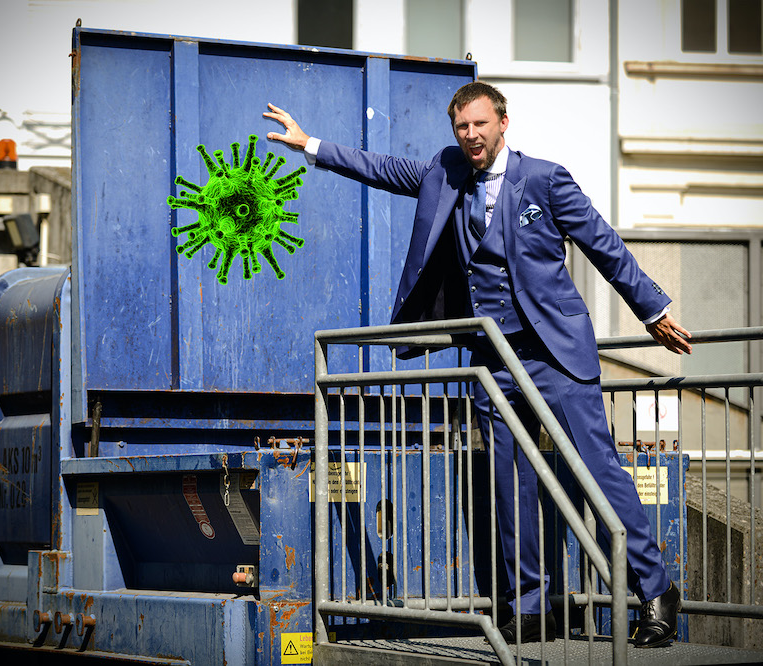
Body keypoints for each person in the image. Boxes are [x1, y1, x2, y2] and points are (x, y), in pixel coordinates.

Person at [264, 81, 692, 648]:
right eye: (462, 127)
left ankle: (656, 592)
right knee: (510, 483)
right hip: (494, 357)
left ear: (503, 123)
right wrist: (310, 145)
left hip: (556, 352)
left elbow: (603, 244)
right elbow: (382, 168)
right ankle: (531, 607)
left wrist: (652, 309)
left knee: (598, 471)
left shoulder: (545, 179)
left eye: (480, 125)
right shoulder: (445, 174)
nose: (471, 136)